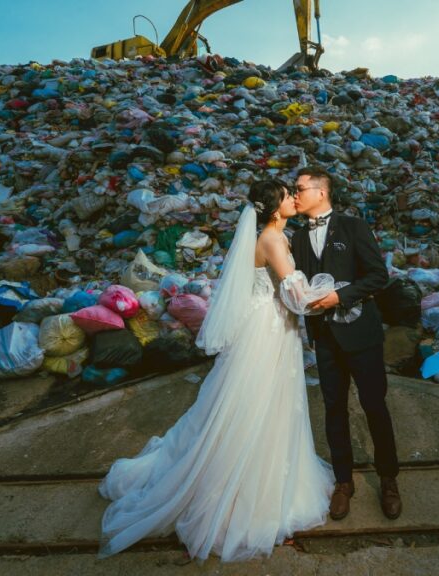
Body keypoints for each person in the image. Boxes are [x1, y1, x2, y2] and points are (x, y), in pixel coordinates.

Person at [98, 180, 334, 562]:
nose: (294, 198)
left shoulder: (273, 234)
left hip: (271, 325)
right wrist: (332, 294)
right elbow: (295, 293)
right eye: (288, 195)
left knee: (260, 404)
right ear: (275, 208)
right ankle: (241, 491)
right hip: (268, 330)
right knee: (256, 405)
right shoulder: (273, 240)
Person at [291, 165, 402, 521]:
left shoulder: (353, 226)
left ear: (321, 192)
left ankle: (388, 480)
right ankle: (343, 482)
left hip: (361, 334)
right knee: (333, 408)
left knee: (374, 405)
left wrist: (341, 298)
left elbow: (377, 276)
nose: (295, 195)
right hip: (324, 337)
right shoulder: (296, 237)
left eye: (300, 189)